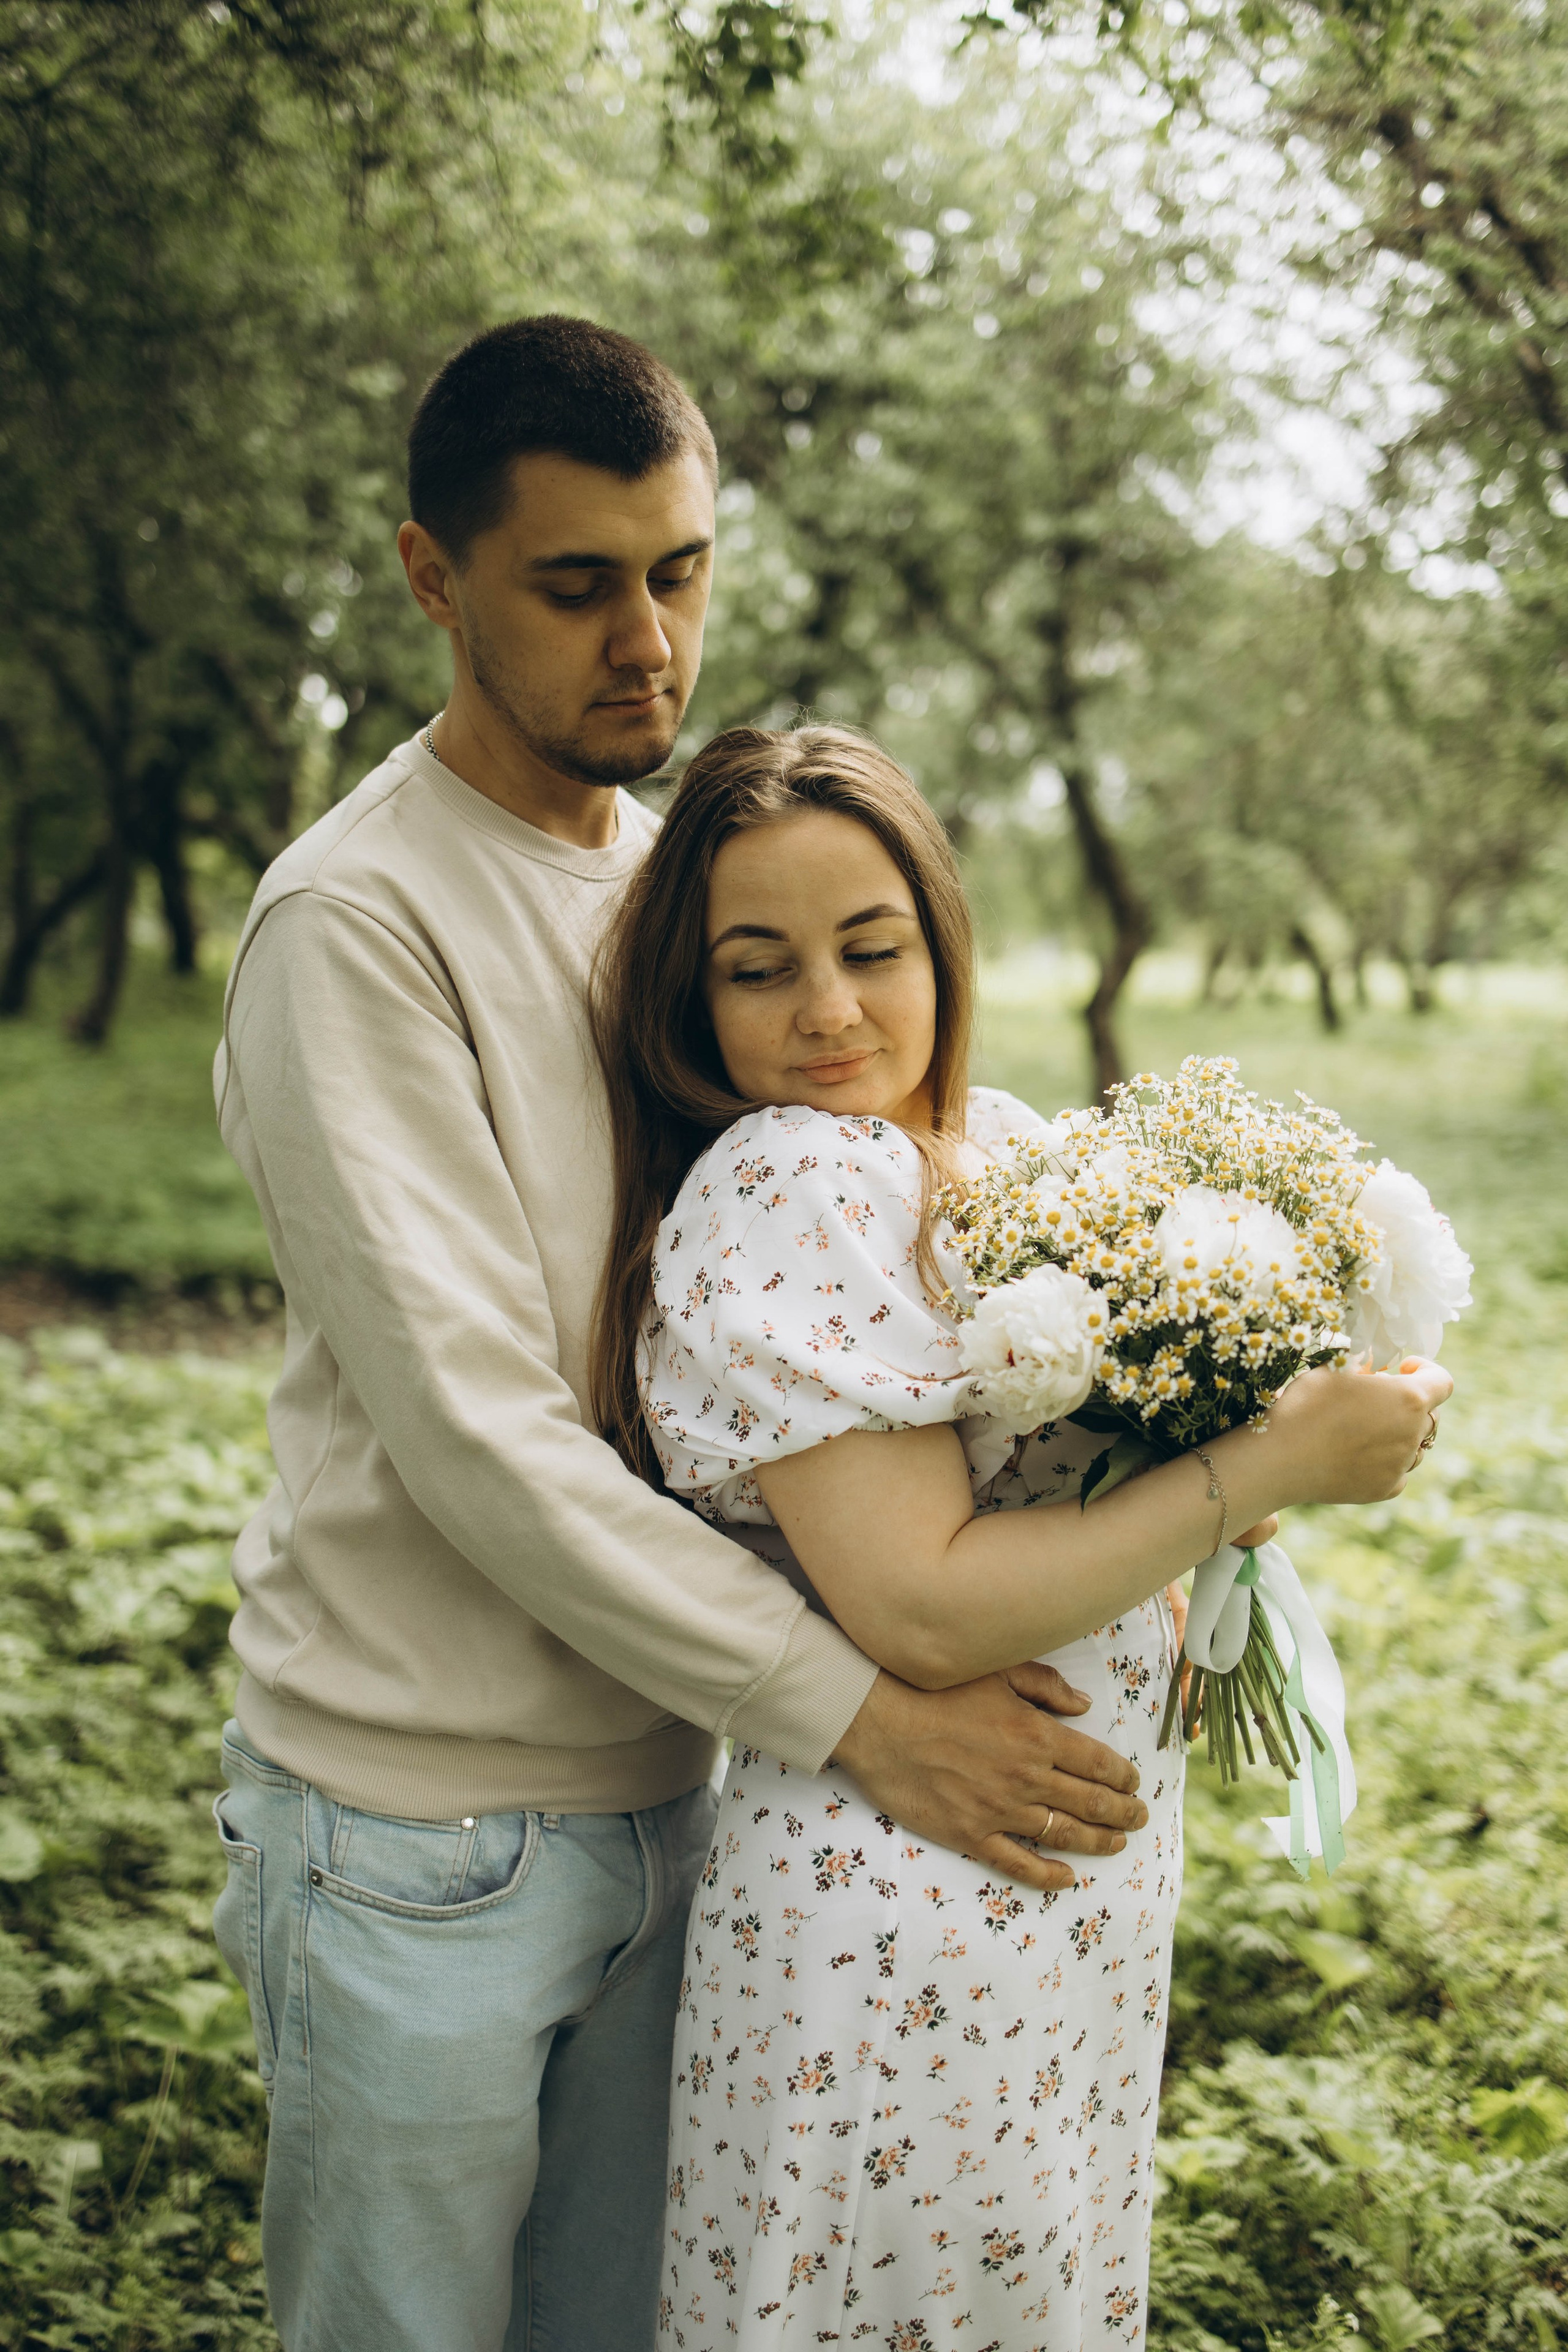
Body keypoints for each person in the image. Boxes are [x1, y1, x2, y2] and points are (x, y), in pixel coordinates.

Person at [207, 316, 1148, 2352]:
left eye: (681, 571)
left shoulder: (683, 887)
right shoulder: (355, 925)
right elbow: (482, 1436)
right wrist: (862, 1709)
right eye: (576, 585)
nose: (648, 641)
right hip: (419, 1830)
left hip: (684, 1788)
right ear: (433, 575)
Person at [589, 722, 1454, 2350]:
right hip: (905, 1892)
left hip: (1043, 1881)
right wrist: (1271, 1458)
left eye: (872, 950)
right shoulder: (797, 1180)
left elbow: (1072, 1484)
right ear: (692, 1005)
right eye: (759, 970)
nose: (828, 1011)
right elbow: (922, 1606)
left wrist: (1226, 1445)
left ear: (942, 944)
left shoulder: (989, 1150)